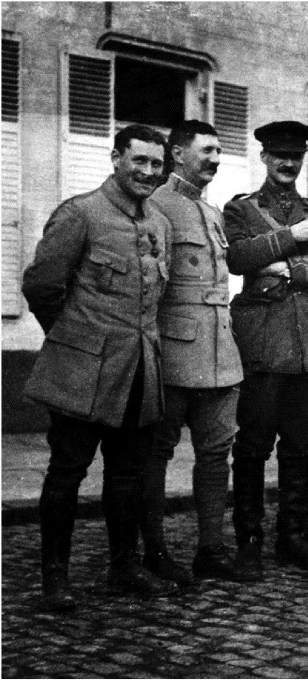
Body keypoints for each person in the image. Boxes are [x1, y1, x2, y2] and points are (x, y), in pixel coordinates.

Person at [22, 124, 178, 610]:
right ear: (116, 159)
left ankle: (124, 569)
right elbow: (42, 286)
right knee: (67, 472)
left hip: (139, 372)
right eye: (139, 161)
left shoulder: (160, 224)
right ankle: (55, 580)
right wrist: (76, 344)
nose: (148, 172)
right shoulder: (81, 213)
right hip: (81, 373)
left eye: (157, 164)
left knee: (128, 475)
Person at [224, 121, 308, 580]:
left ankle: (293, 536)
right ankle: (249, 542)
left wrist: (287, 269)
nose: (287, 163)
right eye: (278, 154)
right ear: (264, 157)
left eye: (295, 155)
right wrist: (293, 236)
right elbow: (237, 258)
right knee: (253, 445)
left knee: (301, 445)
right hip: (262, 343)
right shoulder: (240, 210)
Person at [137, 121, 244, 586]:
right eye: (207, 150)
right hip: (175, 353)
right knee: (157, 453)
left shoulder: (212, 210)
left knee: (217, 453)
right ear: (178, 154)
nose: (216, 159)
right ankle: (154, 551)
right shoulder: (155, 205)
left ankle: (211, 548)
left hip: (221, 352)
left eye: (220, 150)